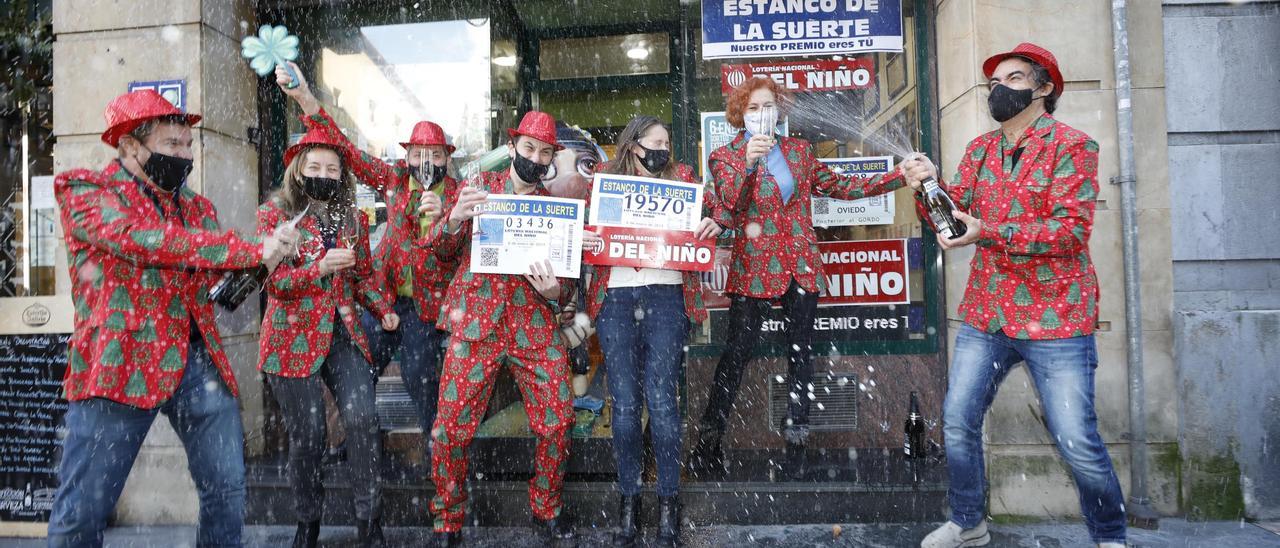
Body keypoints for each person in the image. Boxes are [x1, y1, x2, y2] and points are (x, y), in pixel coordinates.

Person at [47, 89, 298, 548]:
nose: (185, 155)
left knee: (227, 489)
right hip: (121, 363)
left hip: (197, 361)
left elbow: (215, 283)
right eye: (172, 145)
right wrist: (245, 249)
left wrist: (267, 258)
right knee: (84, 508)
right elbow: (146, 241)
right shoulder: (85, 190)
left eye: (187, 144)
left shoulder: (198, 208)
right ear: (129, 146)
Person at [916, 43, 1126, 548]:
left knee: (1077, 440)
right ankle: (969, 522)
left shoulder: (1073, 146)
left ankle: (1111, 536)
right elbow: (953, 217)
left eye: (1013, 78)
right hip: (987, 313)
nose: (999, 88)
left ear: (1044, 88)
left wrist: (986, 230)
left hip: (1056, 317)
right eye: (995, 79)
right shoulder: (979, 150)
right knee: (958, 421)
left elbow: (1068, 232)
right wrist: (927, 189)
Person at [690, 76, 926, 478]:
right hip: (756, 270)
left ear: (779, 112)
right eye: (752, 108)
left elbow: (842, 188)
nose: (761, 115)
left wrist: (899, 176)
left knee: (800, 355)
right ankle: (709, 443)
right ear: (739, 115)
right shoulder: (724, 157)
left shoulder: (799, 151)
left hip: (800, 265)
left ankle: (797, 444)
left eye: (768, 107)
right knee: (735, 357)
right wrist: (748, 163)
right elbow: (730, 205)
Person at [274, 63, 453, 446]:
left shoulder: (458, 194)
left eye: (434, 154)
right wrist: (305, 98)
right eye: (419, 152)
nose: (426, 162)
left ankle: (439, 455)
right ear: (407, 156)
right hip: (381, 298)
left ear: (446, 158)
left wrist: (447, 219)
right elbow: (346, 150)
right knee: (361, 369)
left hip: (427, 306)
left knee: (420, 374)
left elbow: (465, 247)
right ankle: (356, 447)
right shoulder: (391, 180)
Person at [258, 68, 399, 548]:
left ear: (341, 175)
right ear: (297, 171)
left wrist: (383, 310)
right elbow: (273, 285)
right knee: (310, 436)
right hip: (289, 337)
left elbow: (363, 275)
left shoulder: (352, 219)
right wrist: (317, 269)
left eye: (332, 169)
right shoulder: (273, 215)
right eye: (313, 168)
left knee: (362, 418)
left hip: (342, 332)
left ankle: (370, 522)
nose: (323, 175)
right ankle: (307, 522)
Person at [425, 111, 577, 546]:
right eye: (529, 148)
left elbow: (566, 286)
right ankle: (447, 520)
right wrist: (454, 217)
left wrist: (554, 293)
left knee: (558, 420)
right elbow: (438, 248)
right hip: (475, 323)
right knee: (451, 428)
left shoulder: (556, 210)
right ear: (512, 148)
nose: (536, 157)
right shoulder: (478, 193)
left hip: (533, 326)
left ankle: (546, 509)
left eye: (545, 152)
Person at [581, 115, 727, 547]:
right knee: (624, 406)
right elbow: (584, 233)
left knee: (662, 402)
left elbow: (721, 210)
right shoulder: (605, 179)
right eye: (655, 142)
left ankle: (668, 504)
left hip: (666, 298)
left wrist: (714, 223)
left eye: (666, 142)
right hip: (617, 299)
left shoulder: (683, 178)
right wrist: (588, 239)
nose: (663, 148)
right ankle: (628, 501)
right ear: (634, 145)